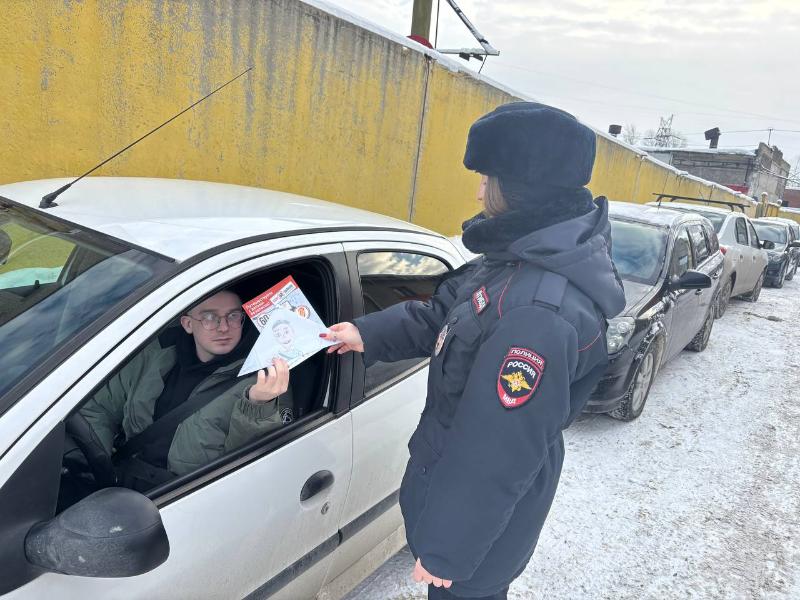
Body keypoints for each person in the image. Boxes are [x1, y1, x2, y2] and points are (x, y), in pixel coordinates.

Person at [322, 102, 626, 599]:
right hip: (458, 511)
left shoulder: (536, 314)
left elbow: (497, 451)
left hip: (477, 540)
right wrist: (367, 333)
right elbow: (446, 314)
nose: (479, 189)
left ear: (522, 188)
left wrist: (448, 551)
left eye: (488, 177)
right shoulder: (513, 261)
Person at [79, 289, 292, 488]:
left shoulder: (265, 379)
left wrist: (257, 408)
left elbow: (251, 471)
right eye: (209, 317)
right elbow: (97, 408)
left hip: (185, 495)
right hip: (122, 479)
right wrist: (96, 467)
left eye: (234, 316)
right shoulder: (156, 356)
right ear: (188, 324)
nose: (224, 327)